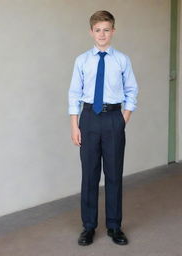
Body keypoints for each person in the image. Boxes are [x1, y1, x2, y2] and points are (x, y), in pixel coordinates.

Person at [68, 10, 138, 246]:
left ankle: (114, 226)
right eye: (97, 30)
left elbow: (131, 91)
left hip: (113, 118)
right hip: (88, 119)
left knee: (114, 174)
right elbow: (74, 95)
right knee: (89, 175)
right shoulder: (82, 60)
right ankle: (88, 227)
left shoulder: (122, 60)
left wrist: (122, 119)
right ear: (91, 32)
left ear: (113, 31)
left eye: (106, 29)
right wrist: (74, 126)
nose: (102, 34)